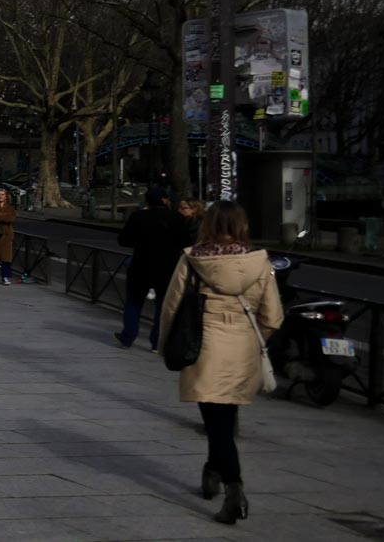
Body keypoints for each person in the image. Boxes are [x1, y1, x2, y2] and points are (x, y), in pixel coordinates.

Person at [159, 201, 282, 525]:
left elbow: (172, 306)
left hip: (206, 345)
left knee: (216, 424)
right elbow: (272, 317)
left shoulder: (193, 258)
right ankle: (212, 470)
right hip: (243, 346)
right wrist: (253, 340)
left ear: (208, 225)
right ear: (242, 225)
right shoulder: (259, 261)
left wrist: (165, 345)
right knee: (224, 419)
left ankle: (233, 489)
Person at [115, 186, 189, 351]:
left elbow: (124, 240)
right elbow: (185, 242)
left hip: (141, 265)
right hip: (166, 267)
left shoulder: (138, 216)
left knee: (134, 303)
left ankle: (127, 337)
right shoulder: (176, 218)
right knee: (162, 306)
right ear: (164, 200)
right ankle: (157, 342)